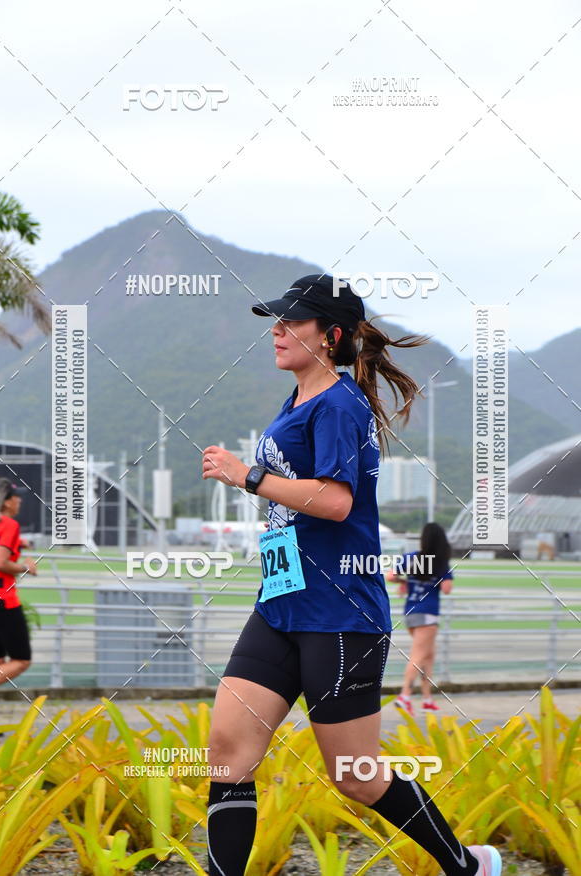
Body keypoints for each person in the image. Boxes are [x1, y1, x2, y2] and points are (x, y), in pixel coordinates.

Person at [201, 274, 502, 876]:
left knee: (354, 776)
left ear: (330, 336)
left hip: (341, 615)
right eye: (275, 320)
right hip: (281, 606)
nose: (277, 331)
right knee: (228, 754)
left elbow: (336, 502)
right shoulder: (298, 401)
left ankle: (467, 866)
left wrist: (248, 477)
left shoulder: (340, 404)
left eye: (292, 321)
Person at [0, 477, 36, 721]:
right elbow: (0, 563)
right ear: (5, 502)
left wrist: (19, 545)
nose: (20, 501)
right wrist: (24, 566)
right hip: (0, 602)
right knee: (21, 660)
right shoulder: (9, 525)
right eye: (16, 497)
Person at [387, 522, 454, 714]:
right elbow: (447, 589)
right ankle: (405, 695)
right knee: (418, 656)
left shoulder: (411, 558)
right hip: (429, 614)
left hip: (411, 612)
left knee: (428, 656)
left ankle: (427, 698)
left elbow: (390, 576)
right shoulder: (441, 562)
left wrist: (405, 582)